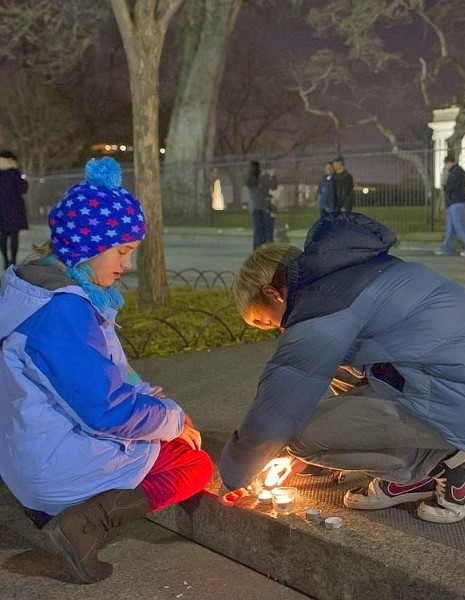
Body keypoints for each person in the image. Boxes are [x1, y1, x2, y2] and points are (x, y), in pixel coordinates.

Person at [218, 212, 465, 524]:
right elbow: (346, 378)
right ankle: (414, 476)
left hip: (459, 399)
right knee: (336, 372)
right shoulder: (349, 274)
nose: (279, 331)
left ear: (273, 293)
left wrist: (237, 473)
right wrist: (324, 451)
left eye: (267, 321)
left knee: (297, 436)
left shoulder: (320, 309)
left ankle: (452, 463)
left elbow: (278, 409)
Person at [0, 157, 213, 584]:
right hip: (53, 465)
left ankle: (56, 509)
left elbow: (108, 371)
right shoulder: (63, 310)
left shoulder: (33, 287)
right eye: (122, 252)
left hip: (25, 457)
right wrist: (170, 420)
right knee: (196, 466)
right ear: (89, 245)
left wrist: (154, 400)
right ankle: (86, 522)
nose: (126, 266)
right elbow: (106, 411)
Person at [436, 154, 465, 257]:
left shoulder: (456, 172)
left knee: (460, 226)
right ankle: (446, 248)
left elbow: (452, 186)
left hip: (457, 202)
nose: (445, 167)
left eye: (446, 164)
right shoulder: (457, 171)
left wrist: (445, 186)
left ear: (449, 163)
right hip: (455, 202)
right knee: (450, 227)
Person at [0, 149, 29, 270]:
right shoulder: (14, 172)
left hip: (1, 209)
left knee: (2, 236)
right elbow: (23, 188)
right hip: (14, 209)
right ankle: (13, 261)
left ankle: (5, 260)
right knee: (14, 236)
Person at [245, 160, 278, 249]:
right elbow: (273, 186)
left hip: (254, 206)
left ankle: (256, 247)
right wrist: (273, 176)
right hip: (264, 206)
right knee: (267, 228)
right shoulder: (263, 178)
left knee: (257, 229)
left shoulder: (249, 180)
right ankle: (267, 247)